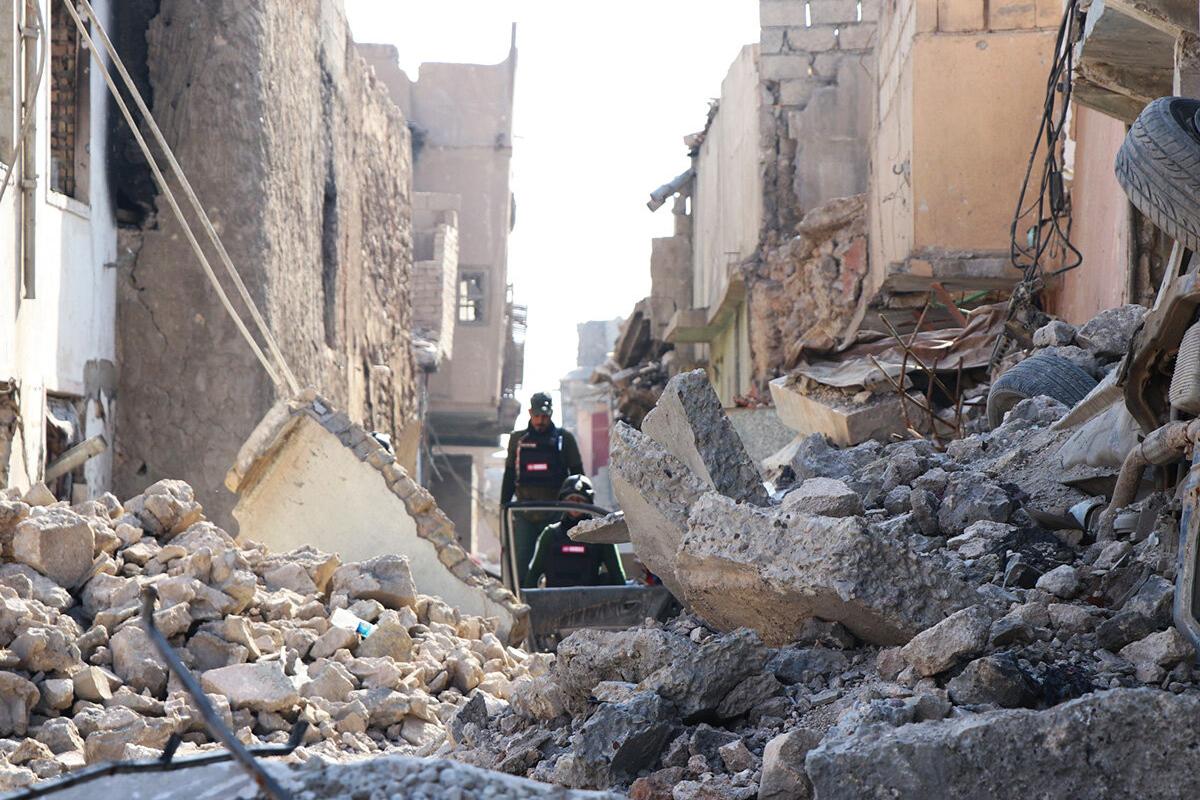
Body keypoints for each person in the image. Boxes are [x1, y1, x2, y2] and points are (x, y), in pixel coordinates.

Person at [500, 392, 584, 586]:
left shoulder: (565, 439)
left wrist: (582, 511)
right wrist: (503, 506)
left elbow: (579, 477)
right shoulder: (517, 440)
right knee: (519, 564)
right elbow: (510, 475)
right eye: (536, 415)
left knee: (559, 561)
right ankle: (519, 600)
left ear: (551, 413)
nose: (540, 420)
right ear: (530, 413)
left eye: (544, 416)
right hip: (524, 513)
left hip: (556, 514)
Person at [524, 475, 625, 588]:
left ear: (588, 502)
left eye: (580, 500)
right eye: (571, 499)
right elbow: (534, 574)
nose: (575, 504)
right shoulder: (550, 534)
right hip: (554, 601)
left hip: (593, 602)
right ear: (564, 501)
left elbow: (618, 576)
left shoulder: (601, 535)